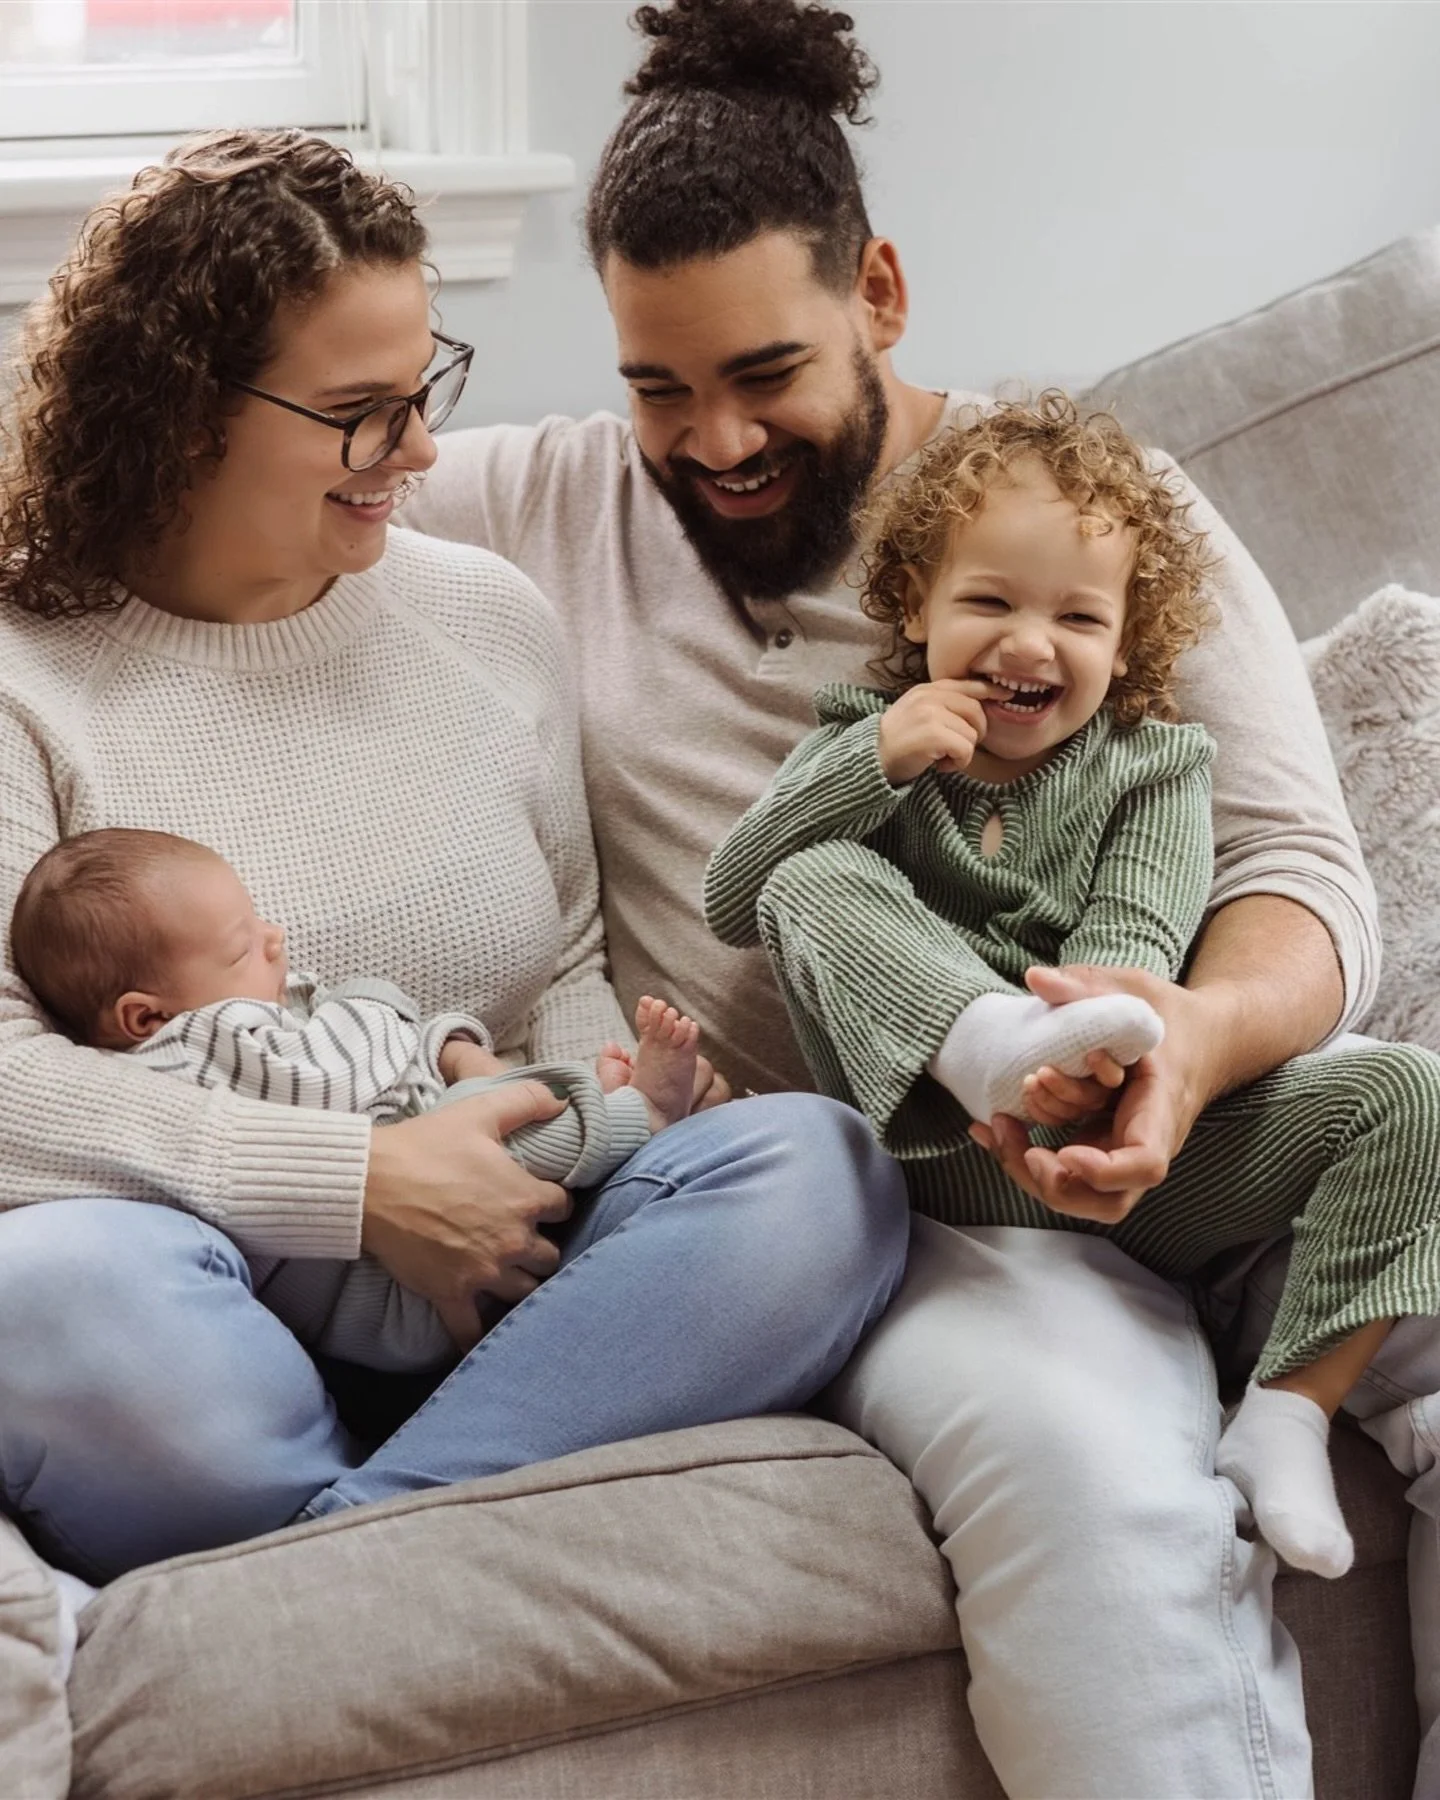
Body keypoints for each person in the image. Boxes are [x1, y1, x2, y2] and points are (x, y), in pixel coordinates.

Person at [401, 1, 1440, 1792]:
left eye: (766, 374)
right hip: (918, 1193)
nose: (713, 440)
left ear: (879, 291)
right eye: (660, 383)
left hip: (1186, 1107)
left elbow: (1293, 872)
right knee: (1092, 1475)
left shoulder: (1102, 517)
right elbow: (250, 480)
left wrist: (1187, 1038)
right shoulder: (547, 508)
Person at [0, 126, 909, 1592]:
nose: (420, 452)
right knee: (38, 1300)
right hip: (205, 1320)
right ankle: (428, 1527)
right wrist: (357, 1186)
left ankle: (336, 1559)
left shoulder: (485, 621)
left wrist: (603, 1130)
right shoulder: (24, 685)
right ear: (178, 414)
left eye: (426, 389)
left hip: (511, 1291)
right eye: (364, 411)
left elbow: (556, 967)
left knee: (819, 1170)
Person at [707, 392, 1440, 1580]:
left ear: (1127, 640)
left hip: (1125, 1155)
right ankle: (983, 1037)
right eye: (989, 603)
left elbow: (1133, 957)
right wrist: (871, 761)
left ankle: (1289, 1414)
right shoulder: (866, 743)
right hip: (944, 1155)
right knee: (813, 877)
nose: (1029, 645)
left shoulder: (1158, 765)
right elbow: (735, 897)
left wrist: (1091, 1079)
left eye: (1077, 617)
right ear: (916, 607)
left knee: (1408, 1094)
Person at [10, 826, 707, 1374]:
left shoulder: (239, 1019)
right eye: (241, 947)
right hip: (392, 1292)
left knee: (780, 1145)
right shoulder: (194, 1049)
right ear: (143, 1018)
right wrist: (376, 1000)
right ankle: (637, 1116)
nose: (275, 940)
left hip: (449, 1214)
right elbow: (343, 1075)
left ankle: (617, 1113)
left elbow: (399, 1054)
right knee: (526, 1134)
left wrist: (454, 1051)